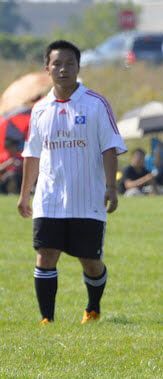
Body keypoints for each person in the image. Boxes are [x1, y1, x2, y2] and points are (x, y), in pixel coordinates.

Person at [17, 39, 126, 324]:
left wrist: (111, 188)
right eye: (57, 64)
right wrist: (25, 194)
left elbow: (109, 146)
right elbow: (32, 153)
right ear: (47, 69)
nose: (63, 69)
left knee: (89, 260)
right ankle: (47, 320)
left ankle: (93, 308)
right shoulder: (39, 109)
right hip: (49, 198)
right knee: (45, 254)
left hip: (87, 197)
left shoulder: (96, 104)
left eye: (69, 63)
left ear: (78, 67)